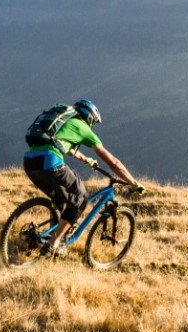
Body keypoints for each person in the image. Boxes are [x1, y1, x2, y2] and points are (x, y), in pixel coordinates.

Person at [22, 99, 143, 256]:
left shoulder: (65, 122)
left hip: (30, 163)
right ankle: (54, 243)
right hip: (49, 161)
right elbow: (113, 162)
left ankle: (50, 238)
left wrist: (86, 160)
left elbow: (68, 148)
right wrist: (133, 183)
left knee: (61, 200)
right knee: (80, 199)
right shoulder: (84, 128)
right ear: (90, 118)